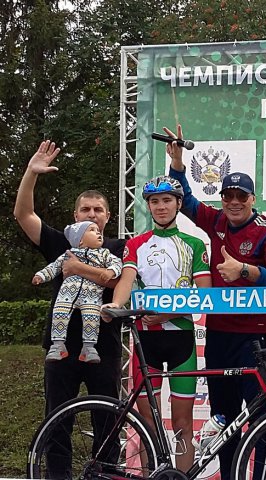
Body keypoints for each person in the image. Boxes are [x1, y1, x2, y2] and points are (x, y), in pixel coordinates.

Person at [164, 125, 266, 480]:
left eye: (241, 196)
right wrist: (178, 164)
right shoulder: (218, 221)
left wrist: (246, 271)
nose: (234, 202)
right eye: (228, 196)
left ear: (252, 199)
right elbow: (187, 201)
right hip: (219, 336)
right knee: (225, 418)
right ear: (222, 198)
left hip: (256, 340)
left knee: (262, 417)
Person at [14, 140, 125, 477]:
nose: (92, 214)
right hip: (60, 349)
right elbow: (23, 215)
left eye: (98, 210)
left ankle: (104, 475)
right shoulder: (61, 243)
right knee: (57, 422)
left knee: (108, 424)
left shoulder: (119, 248)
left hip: (104, 347)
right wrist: (31, 173)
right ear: (75, 215)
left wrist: (78, 269)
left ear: (108, 216)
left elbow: (116, 280)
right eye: (85, 210)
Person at [101, 175, 211, 472]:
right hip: (145, 340)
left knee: (183, 423)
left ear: (178, 204)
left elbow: (206, 295)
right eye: (154, 201)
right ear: (148, 206)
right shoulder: (136, 244)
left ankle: (182, 476)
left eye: (166, 200)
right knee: (147, 422)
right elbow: (126, 280)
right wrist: (116, 304)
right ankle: (151, 475)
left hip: (181, 341)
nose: (161, 207)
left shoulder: (194, 244)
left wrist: (167, 314)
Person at [33, 220, 122, 363]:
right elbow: (54, 267)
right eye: (92, 230)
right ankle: (58, 345)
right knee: (59, 313)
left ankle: (89, 348)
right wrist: (41, 276)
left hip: (92, 294)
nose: (98, 233)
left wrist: (111, 271)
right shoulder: (69, 254)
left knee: (92, 318)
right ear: (79, 240)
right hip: (67, 292)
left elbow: (118, 263)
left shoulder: (104, 254)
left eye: (98, 230)